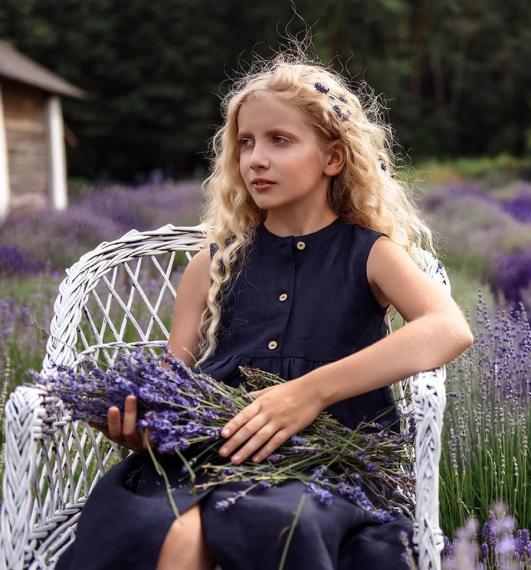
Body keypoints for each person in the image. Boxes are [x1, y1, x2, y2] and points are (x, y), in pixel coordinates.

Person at [55, 51, 474, 570]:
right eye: (246, 143)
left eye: (280, 140)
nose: (255, 159)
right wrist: (142, 428)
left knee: (262, 525)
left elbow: (449, 329)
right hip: (205, 457)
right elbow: (172, 382)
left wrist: (310, 393)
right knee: (169, 533)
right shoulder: (212, 264)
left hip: (321, 468)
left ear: (333, 158)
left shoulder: (370, 254)